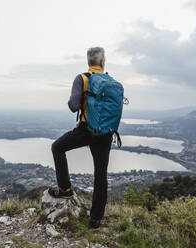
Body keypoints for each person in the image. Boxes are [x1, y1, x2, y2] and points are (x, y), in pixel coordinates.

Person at [49, 47, 113, 229]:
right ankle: (95, 219)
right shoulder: (110, 81)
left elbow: (74, 106)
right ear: (102, 62)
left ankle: (65, 190)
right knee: (101, 174)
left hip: (87, 130)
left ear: (89, 62)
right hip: (106, 133)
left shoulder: (82, 78)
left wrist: (73, 99)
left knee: (57, 147)